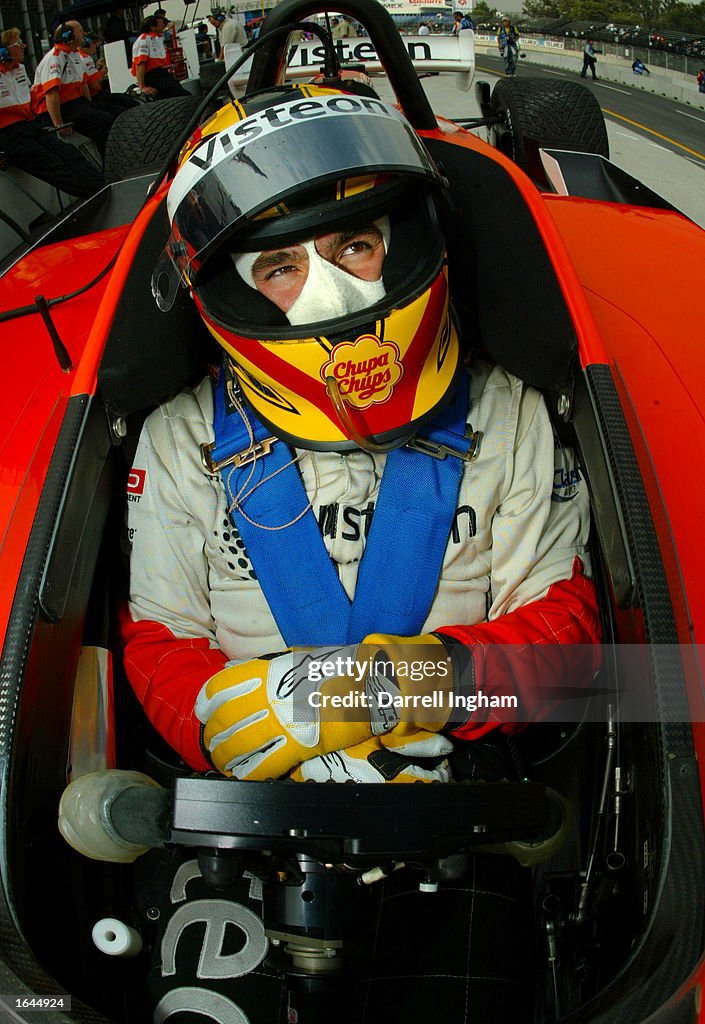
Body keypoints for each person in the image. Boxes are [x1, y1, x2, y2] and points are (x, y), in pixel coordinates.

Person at [59, 82, 601, 1024]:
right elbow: (155, 636)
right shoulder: (181, 438)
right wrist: (214, 716)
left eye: (355, 245)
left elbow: (576, 645)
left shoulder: (510, 412)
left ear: (411, 236)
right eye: (280, 267)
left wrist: (394, 689)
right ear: (228, 289)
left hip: (462, 813)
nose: (339, 295)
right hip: (242, 812)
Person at [0, 28, 103, 198]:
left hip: (29, 126)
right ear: (3, 51)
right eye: (18, 43)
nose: (24, 46)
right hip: (8, 136)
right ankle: (95, 194)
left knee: (70, 153)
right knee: (54, 165)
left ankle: (102, 186)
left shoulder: (20, 70)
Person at [31, 21, 117, 158]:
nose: (83, 34)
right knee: (105, 120)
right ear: (68, 36)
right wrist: (59, 124)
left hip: (77, 103)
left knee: (117, 112)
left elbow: (83, 85)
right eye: (80, 31)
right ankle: (110, 162)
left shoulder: (74, 55)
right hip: (60, 109)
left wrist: (90, 105)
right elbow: (51, 94)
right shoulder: (54, 58)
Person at [131, 14, 188, 99]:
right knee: (182, 95)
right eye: (161, 24)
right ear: (152, 27)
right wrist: (142, 87)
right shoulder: (144, 40)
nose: (163, 26)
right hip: (153, 77)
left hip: (162, 74)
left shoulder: (156, 39)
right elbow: (140, 64)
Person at [79, 34, 136, 113]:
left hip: (94, 96)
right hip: (95, 96)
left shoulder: (80, 57)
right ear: (88, 44)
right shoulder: (85, 59)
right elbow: (94, 84)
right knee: (128, 105)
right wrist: (102, 72)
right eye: (96, 47)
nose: (96, 50)